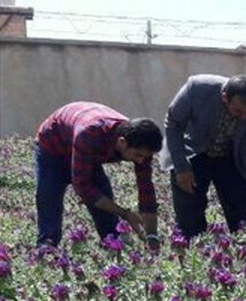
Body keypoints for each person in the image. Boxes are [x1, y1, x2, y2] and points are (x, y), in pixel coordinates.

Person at [34, 102, 162, 248]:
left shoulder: (142, 146)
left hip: (85, 149)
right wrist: (125, 213)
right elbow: (83, 188)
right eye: (138, 155)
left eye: (145, 157)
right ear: (122, 142)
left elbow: (146, 189)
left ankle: (113, 245)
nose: (141, 160)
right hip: (53, 148)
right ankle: (46, 249)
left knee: (104, 203)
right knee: (49, 198)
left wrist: (152, 236)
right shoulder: (89, 134)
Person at [162, 74, 246, 239]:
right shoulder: (197, 88)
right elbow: (173, 124)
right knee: (189, 218)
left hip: (231, 158)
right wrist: (181, 167)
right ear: (224, 98)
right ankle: (193, 250)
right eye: (238, 111)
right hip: (194, 152)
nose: (244, 117)